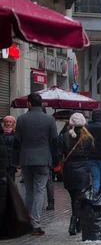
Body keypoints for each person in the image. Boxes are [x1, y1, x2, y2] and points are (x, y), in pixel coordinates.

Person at [13, 93, 58, 236]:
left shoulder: (21, 119)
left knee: (29, 191)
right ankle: (36, 224)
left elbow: (17, 141)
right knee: (39, 191)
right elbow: (54, 141)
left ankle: (27, 222)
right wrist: (54, 160)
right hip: (43, 159)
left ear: (29, 104)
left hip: (26, 159)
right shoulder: (49, 119)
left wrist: (16, 160)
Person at [58, 113, 94, 235]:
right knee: (79, 198)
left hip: (69, 171)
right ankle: (75, 223)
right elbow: (91, 153)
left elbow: (59, 154)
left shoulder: (64, 137)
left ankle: (76, 222)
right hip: (83, 170)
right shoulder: (88, 138)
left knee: (74, 197)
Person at [2, 116, 16, 182]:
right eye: (7, 122)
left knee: (11, 179)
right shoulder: (2, 134)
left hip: (12, 161)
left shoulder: (15, 134)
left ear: (13, 124)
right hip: (3, 161)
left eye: (10, 122)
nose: (8, 123)